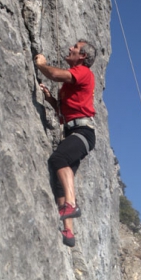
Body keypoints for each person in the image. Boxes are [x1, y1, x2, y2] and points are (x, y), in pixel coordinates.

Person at [35, 40, 96, 247]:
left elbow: (54, 74)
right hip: (74, 130)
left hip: (83, 132)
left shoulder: (83, 72)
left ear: (83, 57)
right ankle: (69, 231)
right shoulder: (71, 85)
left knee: (59, 158)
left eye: (75, 48)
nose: (70, 48)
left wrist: (42, 64)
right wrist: (51, 98)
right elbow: (63, 111)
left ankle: (70, 204)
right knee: (61, 178)